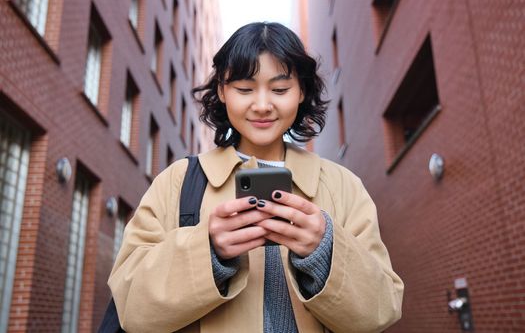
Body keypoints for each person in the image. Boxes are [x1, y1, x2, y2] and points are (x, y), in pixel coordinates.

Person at [108, 22, 404, 333]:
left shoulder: (343, 186)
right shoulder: (178, 181)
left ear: (302, 91)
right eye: (245, 89)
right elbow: (131, 308)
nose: (262, 106)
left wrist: (324, 250)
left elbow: (382, 310)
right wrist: (208, 250)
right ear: (222, 90)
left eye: (279, 89)